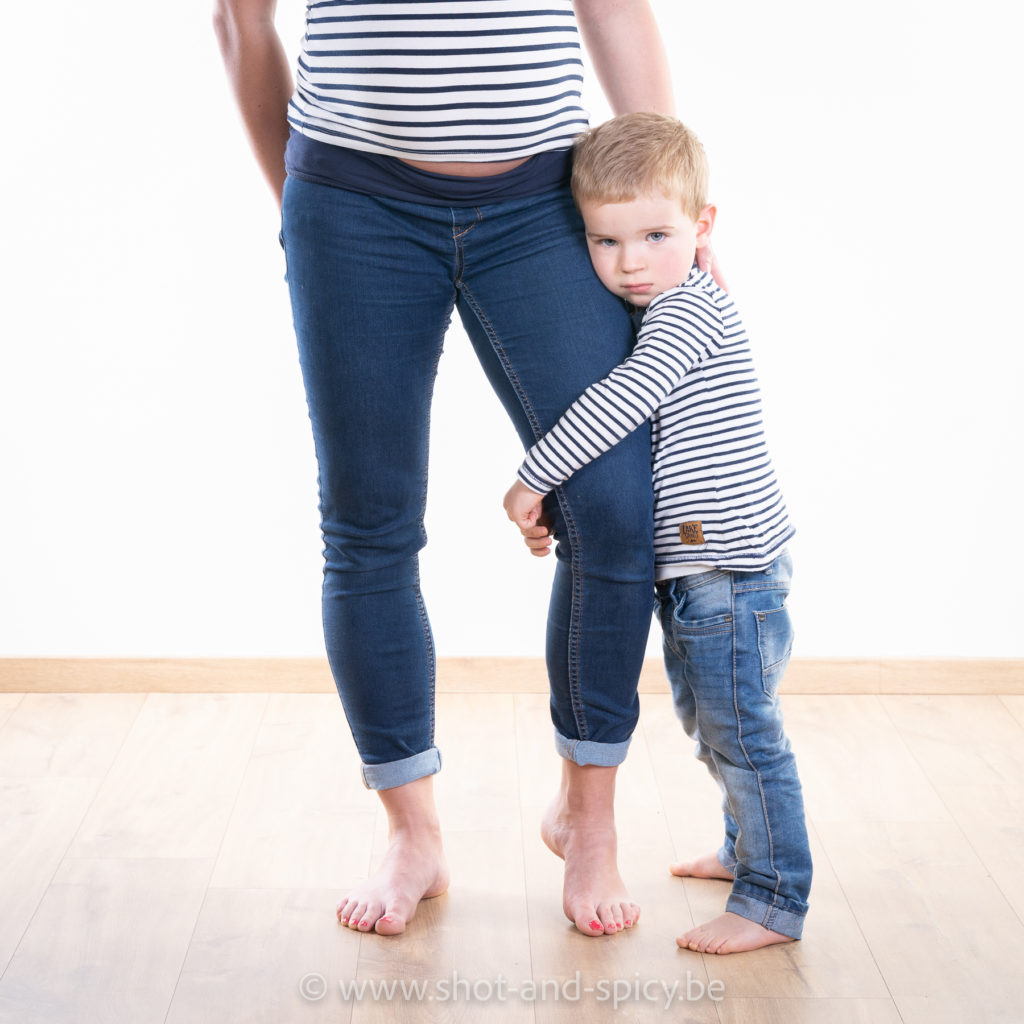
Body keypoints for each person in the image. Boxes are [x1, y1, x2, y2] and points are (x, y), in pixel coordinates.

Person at [213, 0, 709, 937]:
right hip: (351, 203)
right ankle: (412, 832)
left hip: (544, 204)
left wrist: (662, 202)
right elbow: (240, 18)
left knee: (610, 506)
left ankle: (587, 820)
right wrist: (303, 206)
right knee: (369, 524)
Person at [503, 112, 812, 954]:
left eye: (654, 235)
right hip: (705, 571)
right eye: (605, 242)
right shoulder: (671, 301)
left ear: (703, 228)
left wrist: (536, 475)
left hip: (729, 572)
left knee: (745, 737)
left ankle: (773, 897)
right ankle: (746, 849)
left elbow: (620, 403)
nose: (630, 261)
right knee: (714, 725)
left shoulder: (684, 313)